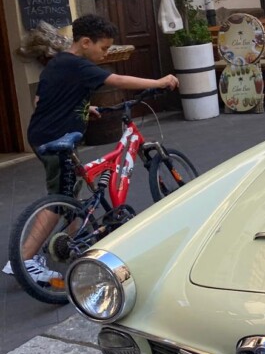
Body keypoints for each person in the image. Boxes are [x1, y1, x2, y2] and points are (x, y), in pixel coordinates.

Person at [1, 14, 178, 281]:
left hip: (44, 135)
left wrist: (85, 108)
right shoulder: (79, 66)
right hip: (56, 140)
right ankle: (22, 261)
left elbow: (42, 99)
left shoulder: (58, 63)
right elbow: (116, 81)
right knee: (59, 198)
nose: (105, 53)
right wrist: (158, 82)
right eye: (103, 48)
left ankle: (68, 245)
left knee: (71, 193)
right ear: (85, 42)